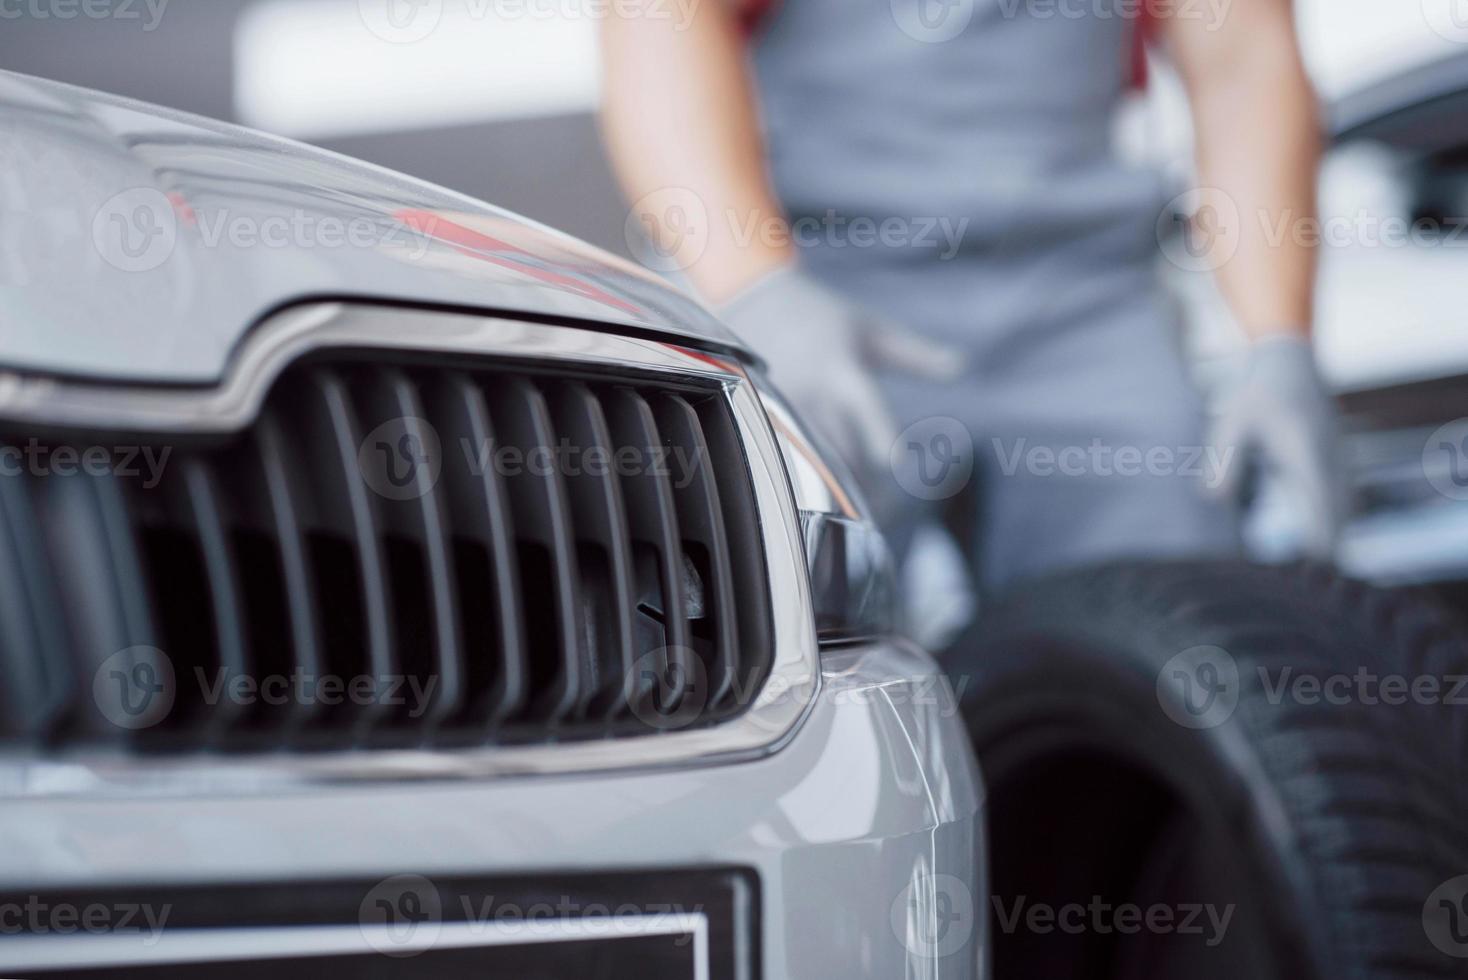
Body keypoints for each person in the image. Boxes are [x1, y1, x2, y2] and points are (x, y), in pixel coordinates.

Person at [599, 0, 1345, 593]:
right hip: (825, 300)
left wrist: (1278, 343)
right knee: (790, 637)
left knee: (1166, 642)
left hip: (1086, 310)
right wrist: (756, 291)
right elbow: (659, 20)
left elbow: (1244, 65)